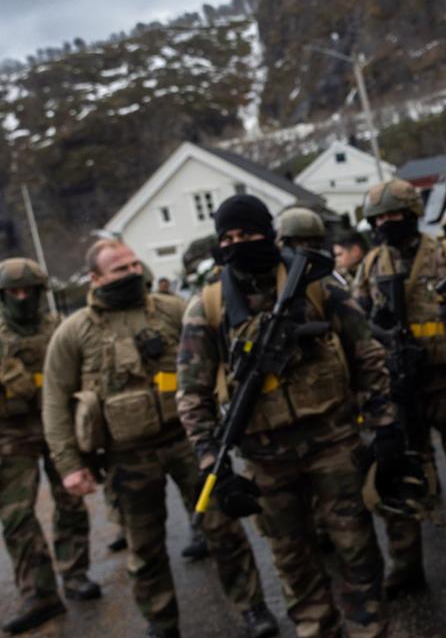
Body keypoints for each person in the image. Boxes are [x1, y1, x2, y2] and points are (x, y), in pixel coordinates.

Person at [179, 194, 408, 638]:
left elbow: (368, 355)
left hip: (334, 444)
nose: (237, 244)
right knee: (292, 560)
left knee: (356, 549)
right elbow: (192, 394)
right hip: (266, 459)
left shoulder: (319, 284)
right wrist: (214, 464)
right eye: (227, 237)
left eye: (246, 234)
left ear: (268, 233)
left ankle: (368, 628)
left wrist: (385, 425)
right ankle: (315, 629)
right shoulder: (207, 306)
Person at [42, 239, 275, 638]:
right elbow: (55, 402)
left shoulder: (172, 309)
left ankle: (252, 609)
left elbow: (219, 362)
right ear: (95, 278)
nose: (133, 272)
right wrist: (69, 466)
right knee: (145, 549)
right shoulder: (73, 333)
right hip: (125, 457)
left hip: (189, 444)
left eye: (135, 264)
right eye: (120, 268)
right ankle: (161, 623)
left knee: (224, 529)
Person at [356, 179, 446, 597]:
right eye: (379, 219)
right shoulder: (372, 265)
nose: (386, 224)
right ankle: (406, 564)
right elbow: (359, 328)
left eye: (394, 215)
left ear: (412, 214)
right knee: (403, 476)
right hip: (399, 389)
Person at [0, 259, 99, 634]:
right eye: (13, 292)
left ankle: (75, 575)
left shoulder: (58, 328)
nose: (22, 298)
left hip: (55, 424)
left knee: (70, 500)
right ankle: (39, 593)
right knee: (16, 516)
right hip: (10, 433)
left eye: (29, 291)